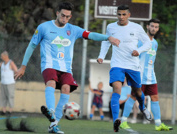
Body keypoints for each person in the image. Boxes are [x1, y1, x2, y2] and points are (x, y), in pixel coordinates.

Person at [14, 2, 120, 134]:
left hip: (66, 68)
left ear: (70, 17)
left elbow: (91, 34)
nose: (65, 19)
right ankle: (51, 111)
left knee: (66, 89)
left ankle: (54, 125)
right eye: (63, 15)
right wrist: (23, 67)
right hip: (49, 64)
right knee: (51, 82)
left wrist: (108, 37)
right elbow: (32, 45)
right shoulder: (44, 27)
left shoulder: (73, 29)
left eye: (68, 17)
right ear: (57, 13)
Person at [97, 5, 152, 132]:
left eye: (123, 14)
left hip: (133, 65)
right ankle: (116, 120)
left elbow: (148, 43)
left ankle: (143, 108)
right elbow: (106, 42)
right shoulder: (111, 27)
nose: (121, 17)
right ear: (116, 15)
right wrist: (101, 56)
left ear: (129, 15)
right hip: (117, 64)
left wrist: (138, 50)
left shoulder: (137, 27)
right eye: (119, 14)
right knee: (117, 87)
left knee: (137, 92)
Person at [120, 19, 173, 131]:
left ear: (158, 29)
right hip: (139, 76)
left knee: (155, 98)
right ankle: (123, 121)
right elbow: (132, 57)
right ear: (147, 26)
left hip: (151, 77)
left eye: (156, 27)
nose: (154, 28)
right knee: (133, 97)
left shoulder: (155, 43)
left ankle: (158, 124)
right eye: (152, 26)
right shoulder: (140, 41)